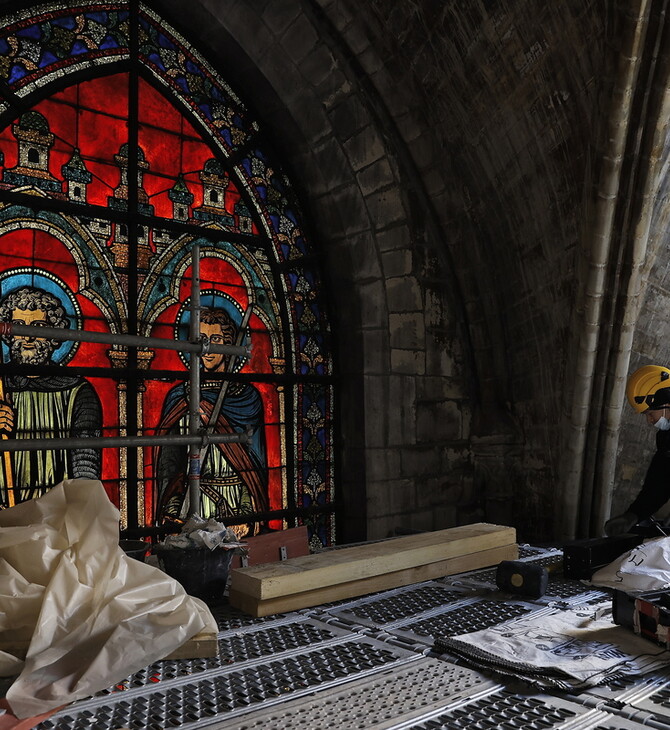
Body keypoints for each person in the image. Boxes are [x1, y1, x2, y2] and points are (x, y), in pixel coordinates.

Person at [154, 307, 268, 535]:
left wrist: (247, 513)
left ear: (228, 344)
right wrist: (173, 508)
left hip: (235, 505)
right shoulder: (180, 397)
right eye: (201, 340)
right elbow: (170, 465)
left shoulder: (247, 398)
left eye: (215, 339)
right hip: (192, 504)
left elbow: (253, 465)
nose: (207, 349)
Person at [0, 285, 102, 506]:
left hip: (58, 513)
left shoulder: (78, 391)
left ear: (54, 336)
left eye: (39, 327)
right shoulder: (0, 387)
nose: (28, 337)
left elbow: (86, 463)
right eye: (19, 325)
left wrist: (80, 511)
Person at [605, 365, 670, 536]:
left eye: (650, 413)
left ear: (666, 401)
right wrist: (634, 515)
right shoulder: (666, 440)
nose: (649, 420)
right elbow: (658, 485)